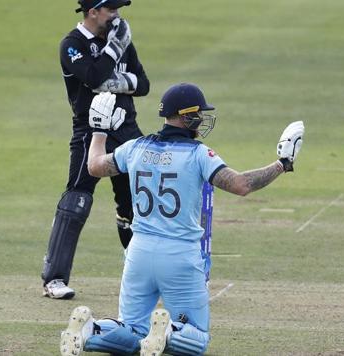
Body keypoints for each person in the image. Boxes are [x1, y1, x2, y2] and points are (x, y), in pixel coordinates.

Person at [58, 84, 304, 355]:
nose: (202, 119)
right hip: (179, 255)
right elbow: (241, 184)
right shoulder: (199, 154)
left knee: (133, 329)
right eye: (198, 113)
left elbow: (94, 166)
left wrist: (99, 131)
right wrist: (282, 163)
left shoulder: (136, 147)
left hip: (138, 252)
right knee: (197, 338)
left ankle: (91, 330)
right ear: (186, 116)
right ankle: (169, 331)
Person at [42, 0, 150, 299]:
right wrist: (114, 49)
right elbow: (92, 76)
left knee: (134, 203)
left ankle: (139, 272)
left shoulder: (122, 40)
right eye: (111, 9)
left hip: (127, 129)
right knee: (77, 200)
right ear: (93, 12)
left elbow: (143, 84)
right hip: (91, 130)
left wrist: (112, 80)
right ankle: (54, 279)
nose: (117, 15)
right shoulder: (72, 45)